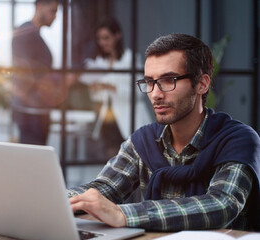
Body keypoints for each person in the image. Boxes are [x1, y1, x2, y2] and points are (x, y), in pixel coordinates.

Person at [68, 33, 260, 231]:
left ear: (202, 84)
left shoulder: (238, 140)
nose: (155, 94)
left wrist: (123, 214)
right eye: (150, 82)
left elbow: (221, 205)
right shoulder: (143, 141)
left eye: (169, 80)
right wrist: (55, 199)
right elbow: (105, 188)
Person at [79, 18, 151, 156]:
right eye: (99, 39)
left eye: (106, 38)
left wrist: (112, 87)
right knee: (112, 162)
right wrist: (95, 88)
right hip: (108, 118)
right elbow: (99, 97)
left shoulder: (130, 58)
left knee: (132, 160)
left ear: (117, 35)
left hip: (128, 117)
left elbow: (140, 92)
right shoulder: (100, 61)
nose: (102, 43)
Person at [12, 0, 73, 145]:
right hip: (31, 113)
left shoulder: (33, 35)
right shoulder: (25, 33)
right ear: (40, 6)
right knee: (31, 161)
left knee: (34, 160)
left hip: (36, 112)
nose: (55, 16)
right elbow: (25, 72)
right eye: (53, 11)